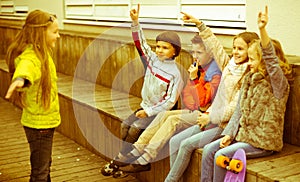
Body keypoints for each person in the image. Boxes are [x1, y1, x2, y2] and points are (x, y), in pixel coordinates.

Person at [164, 11, 260, 182]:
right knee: (174, 142)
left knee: (187, 145)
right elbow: (215, 46)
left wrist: (210, 117)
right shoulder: (229, 65)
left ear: (251, 51)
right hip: (211, 118)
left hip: (223, 126)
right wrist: (199, 24)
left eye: (241, 49)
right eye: (234, 48)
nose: (236, 52)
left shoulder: (248, 74)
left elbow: (233, 109)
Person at [201, 6, 292, 182]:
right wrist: (228, 134)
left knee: (220, 157)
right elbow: (238, 112)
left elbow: (272, 62)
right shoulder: (250, 79)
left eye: (252, 59)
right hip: (243, 137)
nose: (249, 63)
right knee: (208, 151)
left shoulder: (277, 84)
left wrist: (262, 30)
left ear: (263, 60)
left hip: (262, 143)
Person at [116, 33, 222, 173]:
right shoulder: (200, 67)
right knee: (164, 115)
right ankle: (137, 149)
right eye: (193, 52)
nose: (195, 56)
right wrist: (194, 85)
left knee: (173, 120)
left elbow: (202, 101)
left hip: (207, 117)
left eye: (199, 52)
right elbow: (188, 98)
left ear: (211, 53)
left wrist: (194, 80)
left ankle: (145, 158)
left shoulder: (214, 73)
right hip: (195, 111)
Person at [100, 3, 184, 177]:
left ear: (175, 51)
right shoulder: (152, 60)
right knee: (125, 126)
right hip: (144, 107)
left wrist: (149, 111)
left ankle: (118, 162)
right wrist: (135, 22)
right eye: (158, 46)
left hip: (157, 114)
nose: (159, 50)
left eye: (165, 47)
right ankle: (125, 162)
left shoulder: (176, 75)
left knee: (134, 129)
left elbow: (170, 102)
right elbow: (140, 43)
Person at [5, 10, 60, 181]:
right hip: (39, 125)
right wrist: (21, 79)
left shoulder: (41, 53)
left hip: (44, 122)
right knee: (40, 172)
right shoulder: (31, 56)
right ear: (40, 32)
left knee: (44, 166)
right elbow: (26, 68)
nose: (58, 36)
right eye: (55, 32)